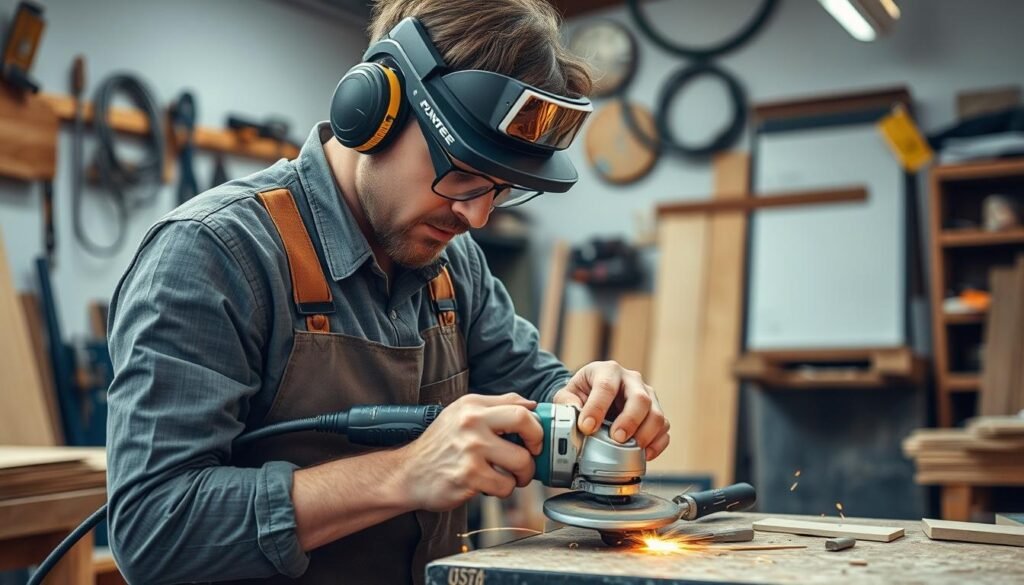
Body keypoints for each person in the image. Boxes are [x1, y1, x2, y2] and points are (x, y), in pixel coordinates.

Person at [105, 1, 669, 583]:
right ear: (374, 111)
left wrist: (587, 404)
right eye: (462, 173)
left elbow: (531, 382)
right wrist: (405, 473)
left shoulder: (454, 263)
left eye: (500, 190)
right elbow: (154, 529)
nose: (476, 216)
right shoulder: (214, 253)